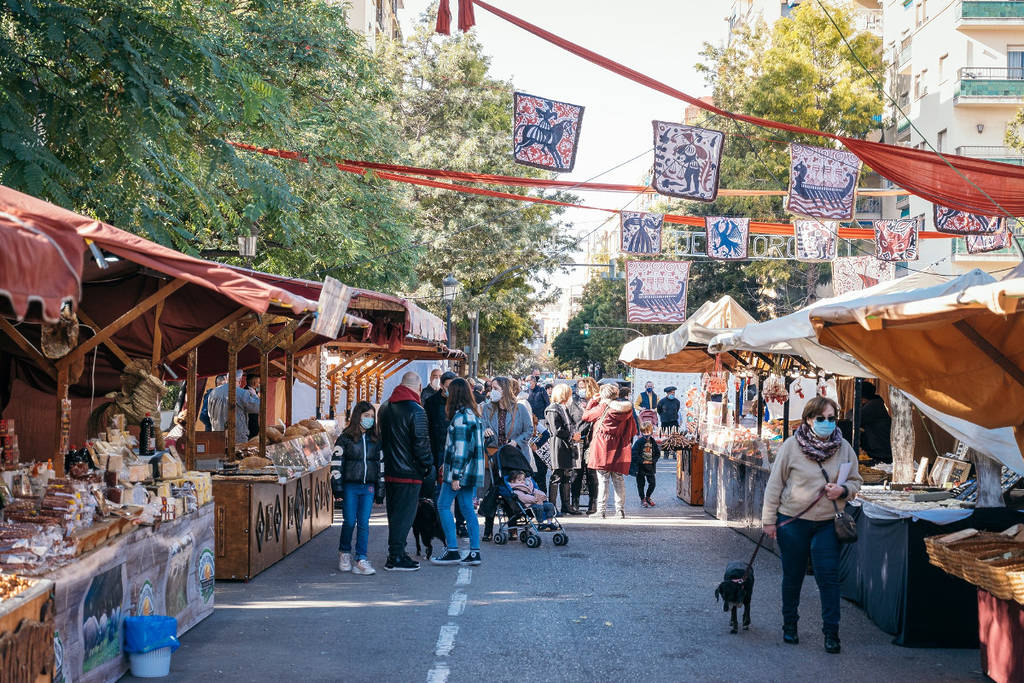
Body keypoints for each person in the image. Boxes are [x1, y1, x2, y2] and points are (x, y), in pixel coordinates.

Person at [762, 396, 863, 654]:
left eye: (831, 419)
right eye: (821, 419)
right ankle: (789, 625)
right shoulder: (790, 447)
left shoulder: (844, 448)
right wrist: (768, 520)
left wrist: (842, 490)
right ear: (809, 419)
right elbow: (775, 485)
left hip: (828, 523)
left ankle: (831, 632)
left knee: (828, 578)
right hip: (793, 521)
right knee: (793, 576)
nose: (827, 423)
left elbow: (856, 481)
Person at [378, 371, 434, 572]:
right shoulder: (416, 410)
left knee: (394, 514)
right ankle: (396, 557)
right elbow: (421, 443)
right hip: (410, 472)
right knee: (405, 516)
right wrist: (427, 465)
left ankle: (396, 552)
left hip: (391, 470)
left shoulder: (385, 408)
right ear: (418, 387)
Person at [430, 378, 485, 567]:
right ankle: (474, 552)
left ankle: (452, 549)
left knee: (443, 505)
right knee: (468, 509)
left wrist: (455, 475)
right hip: (470, 472)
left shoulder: (461, 417)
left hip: (459, 472)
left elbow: (461, 450)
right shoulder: (474, 415)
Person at [331, 401, 384, 576]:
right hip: (350, 486)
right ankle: (344, 552)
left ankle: (361, 558)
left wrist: (380, 490)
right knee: (349, 521)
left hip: (367, 487)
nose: (369, 419)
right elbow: (336, 464)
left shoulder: (376, 439)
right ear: (357, 416)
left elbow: (380, 465)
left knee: (364, 523)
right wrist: (337, 488)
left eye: (371, 416)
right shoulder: (345, 438)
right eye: (365, 416)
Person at [480, 376, 533, 540]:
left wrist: (516, 442)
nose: (492, 391)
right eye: (491, 388)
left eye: (496, 388)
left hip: (513, 457)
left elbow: (529, 430)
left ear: (505, 390)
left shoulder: (519, 409)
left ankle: (512, 527)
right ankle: (488, 529)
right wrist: (484, 431)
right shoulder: (488, 408)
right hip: (494, 456)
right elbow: (481, 424)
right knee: (493, 490)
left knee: (512, 491)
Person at [582, 383, 638, 519]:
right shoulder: (627, 410)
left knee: (603, 480)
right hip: (620, 449)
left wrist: (592, 401)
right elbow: (634, 430)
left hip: (602, 449)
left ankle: (601, 511)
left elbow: (586, 416)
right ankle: (620, 510)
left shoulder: (602, 407)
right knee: (618, 480)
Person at [545, 384, 583, 515]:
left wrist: (574, 434)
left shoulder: (563, 408)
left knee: (567, 475)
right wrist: (572, 435)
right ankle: (552, 507)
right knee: (557, 475)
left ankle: (566, 505)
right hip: (558, 445)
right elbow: (557, 430)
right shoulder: (552, 409)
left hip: (566, 444)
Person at [424, 371, 458, 499]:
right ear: (442, 386)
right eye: (449, 386)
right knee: (440, 485)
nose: (451, 389)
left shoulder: (459, 403)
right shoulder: (431, 402)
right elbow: (427, 427)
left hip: (455, 449)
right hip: (438, 448)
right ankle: (438, 516)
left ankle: (459, 518)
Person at [571, 377, 601, 514]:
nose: (580, 390)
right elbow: (569, 420)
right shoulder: (574, 401)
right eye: (579, 387)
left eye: (583, 387)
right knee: (576, 473)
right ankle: (575, 502)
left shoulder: (597, 402)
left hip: (592, 441)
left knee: (591, 473)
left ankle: (592, 503)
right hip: (577, 441)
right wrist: (573, 433)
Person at [207, 371, 260, 443]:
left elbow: (210, 414)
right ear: (240, 381)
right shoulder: (241, 393)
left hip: (217, 434)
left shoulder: (213, 392)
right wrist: (254, 395)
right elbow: (258, 407)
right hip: (237, 437)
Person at [858, 382, 892, 464]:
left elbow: (855, 418)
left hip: (880, 452)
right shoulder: (877, 403)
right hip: (881, 449)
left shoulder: (873, 406)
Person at [630, 422, 661, 507]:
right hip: (640, 468)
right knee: (641, 484)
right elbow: (634, 454)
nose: (646, 434)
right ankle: (642, 499)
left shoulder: (653, 441)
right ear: (642, 432)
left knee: (652, 483)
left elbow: (657, 453)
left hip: (650, 467)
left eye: (648, 432)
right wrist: (642, 461)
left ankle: (648, 497)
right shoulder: (639, 442)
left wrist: (653, 460)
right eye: (644, 432)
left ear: (651, 432)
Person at [245, 372, 260, 439]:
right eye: (258, 382)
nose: (259, 384)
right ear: (254, 382)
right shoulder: (245, 392)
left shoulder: (255, 391)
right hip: (249, 422)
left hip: (255, 421)